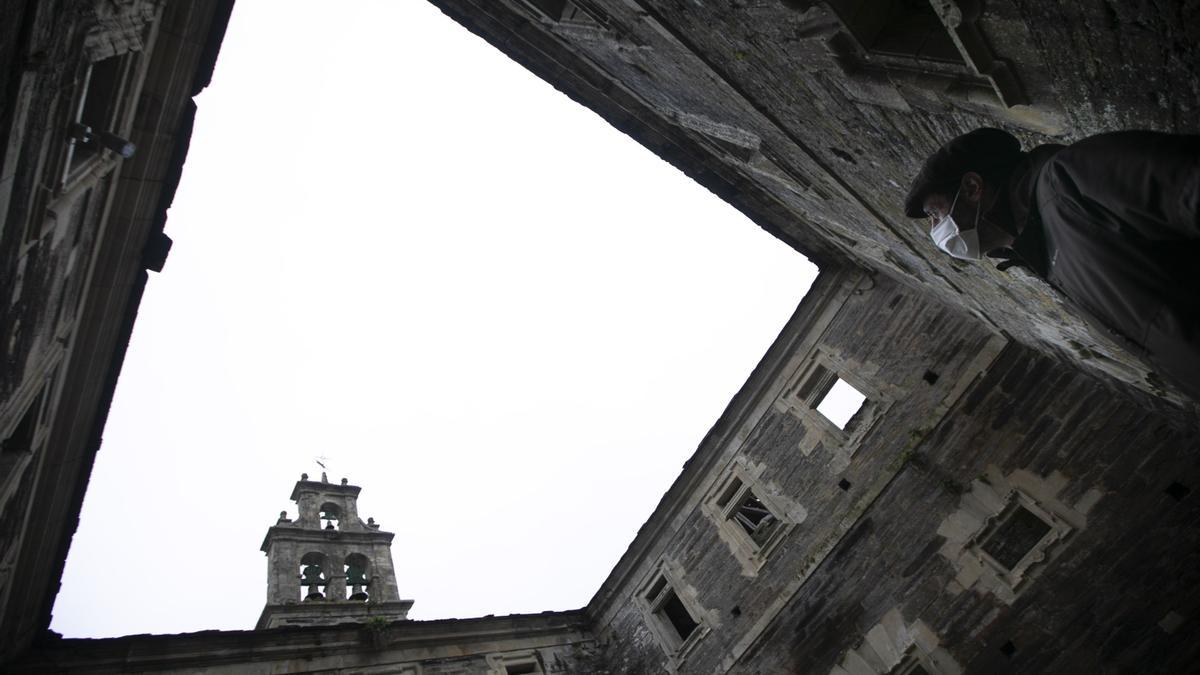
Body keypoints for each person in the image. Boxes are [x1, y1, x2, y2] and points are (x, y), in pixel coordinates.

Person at [903, 127, 1200, 400]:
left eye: (935, 215)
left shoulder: (1072, 180)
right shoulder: (1040, 251)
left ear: (971, 188)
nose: (935, 230)